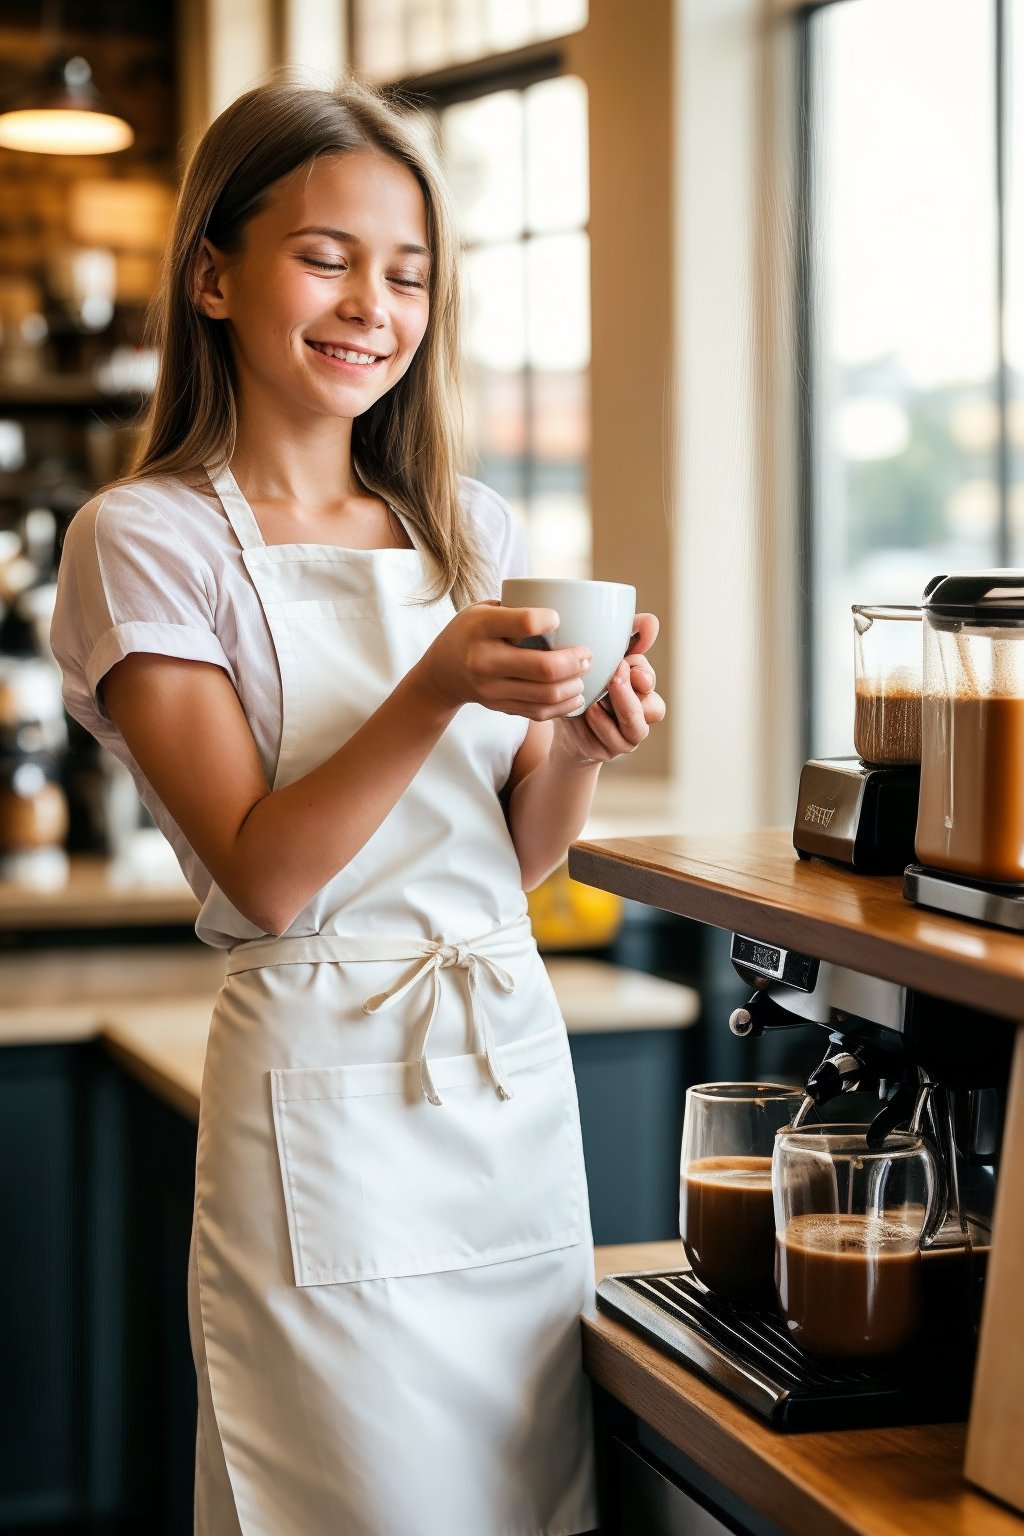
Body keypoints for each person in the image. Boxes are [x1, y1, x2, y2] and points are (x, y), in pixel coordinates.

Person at [50, 76, 665, 1536]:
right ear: (214, 272)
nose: (369, 307)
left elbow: (506, 864)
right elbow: (267, 877)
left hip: (500, 1077)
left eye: (408, 274)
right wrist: (437, 686)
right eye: (326, 256)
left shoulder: (471, 527)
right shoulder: (144, 539)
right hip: (321, 1101)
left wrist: (582, 745)